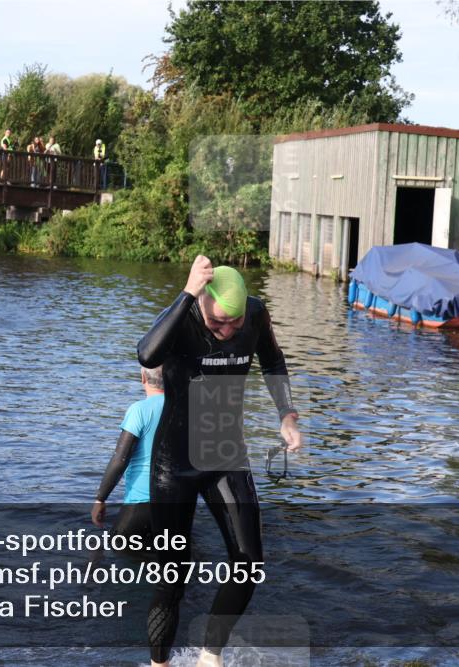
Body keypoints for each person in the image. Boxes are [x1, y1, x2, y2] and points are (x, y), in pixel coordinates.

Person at [137, 257, 302, 667]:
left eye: (235, 322)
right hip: (173, 465)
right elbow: (146, 354)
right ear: (201, 305)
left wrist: (287, 415)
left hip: (227, 455)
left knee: (249, 560)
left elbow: (274, 361)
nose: (228, 331)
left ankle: (210, 656)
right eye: (217, 324)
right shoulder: (183, 315)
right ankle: (159, 664)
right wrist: (188, 291)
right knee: (171, 578)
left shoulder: (257, 315)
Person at [91, 366, 164, 545]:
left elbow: (120, 458)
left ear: (143, 377)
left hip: (141, 502)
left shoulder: (139, 410)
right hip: (179, 504)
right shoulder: (186, 409)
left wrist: (100, 499)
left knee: (117, 554)